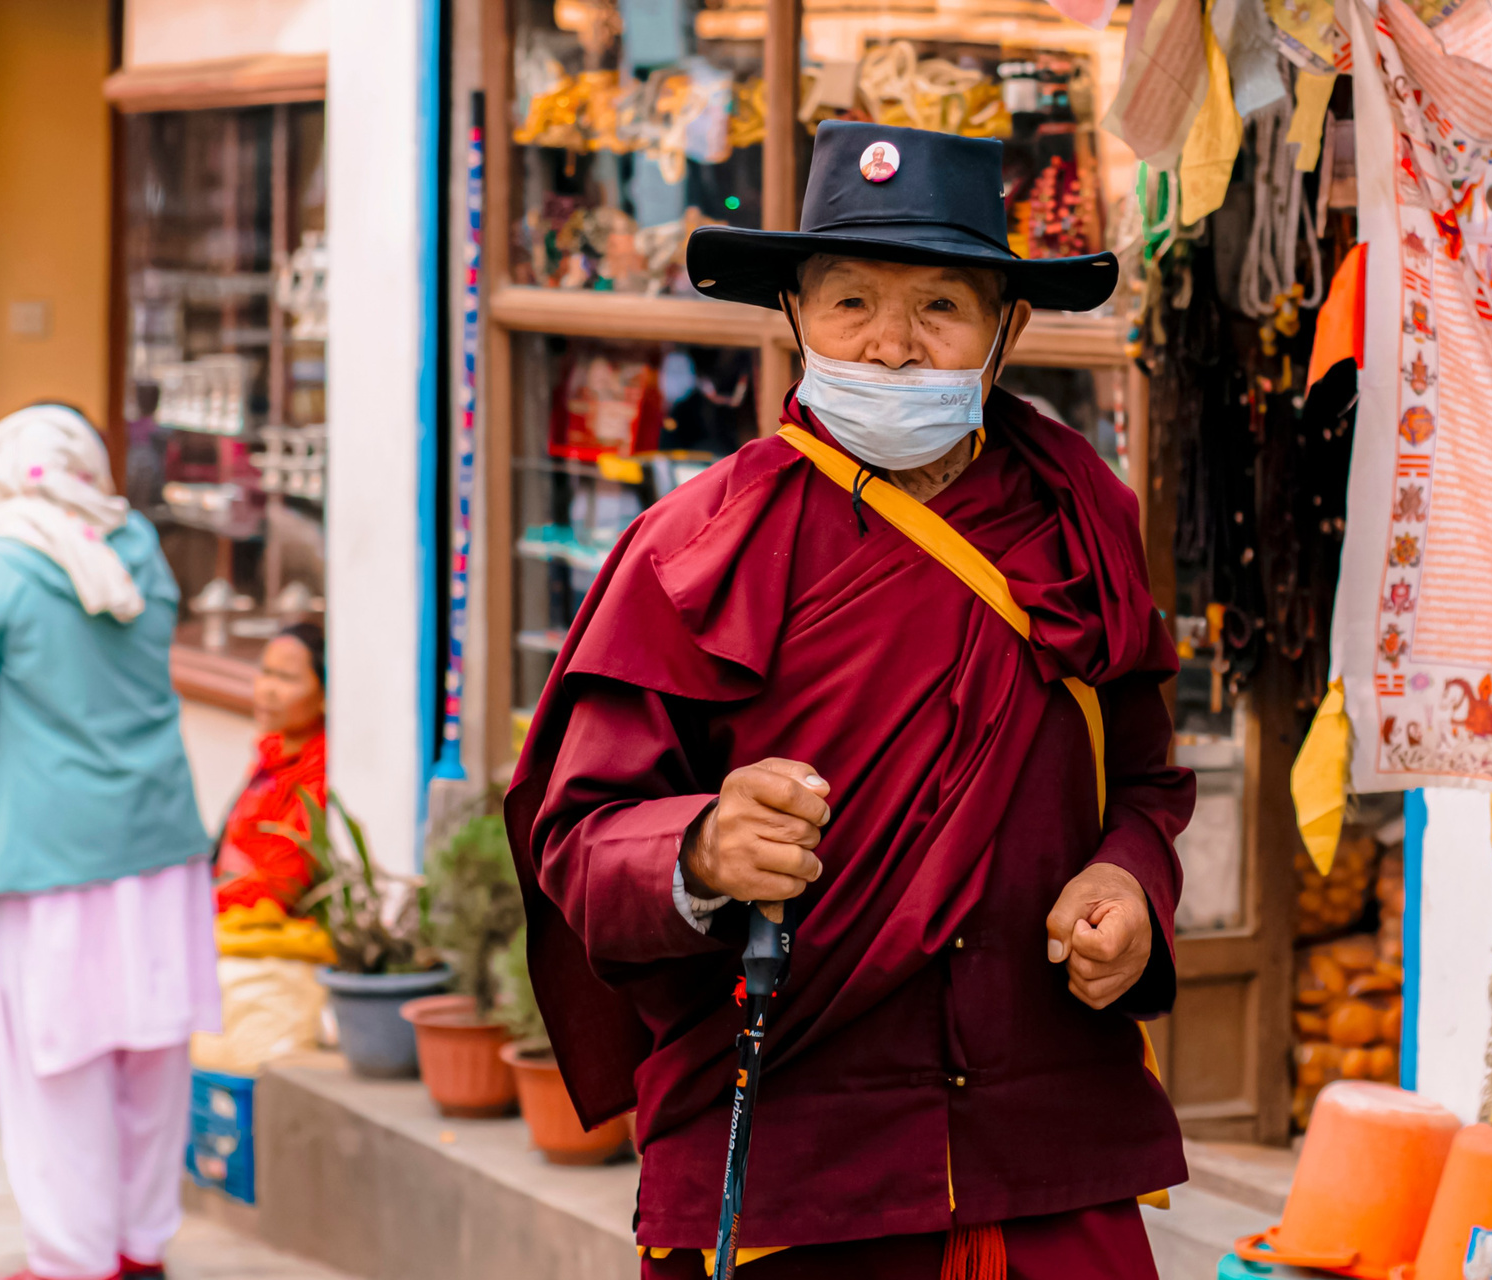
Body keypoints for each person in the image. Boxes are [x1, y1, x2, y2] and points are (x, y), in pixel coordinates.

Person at [507, 122, 1193, 1279]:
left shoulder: (1080, 520)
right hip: (799, 1158)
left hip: (1045, 1144)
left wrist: (1129, 877)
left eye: (941, 307)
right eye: (851, 303)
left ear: (1008, 328)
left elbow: (1145, 778)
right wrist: (700, 846)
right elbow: (578, 838)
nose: (892, 346)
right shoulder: (695, 550)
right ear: (794, 317)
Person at [0, 404, 220, 1280]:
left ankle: (72, 1260)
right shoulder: (137, 545)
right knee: (152, 1060)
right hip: (158, 846)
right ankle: (139, 1247)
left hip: (42, 858)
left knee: (53, 1070)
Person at [213, 623, 327, 914]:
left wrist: (200, 902)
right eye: (266, 672)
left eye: (287, 678)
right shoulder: (272, 751)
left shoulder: (319, 773)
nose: (268, 690)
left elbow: (282, 885)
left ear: (325, 694)